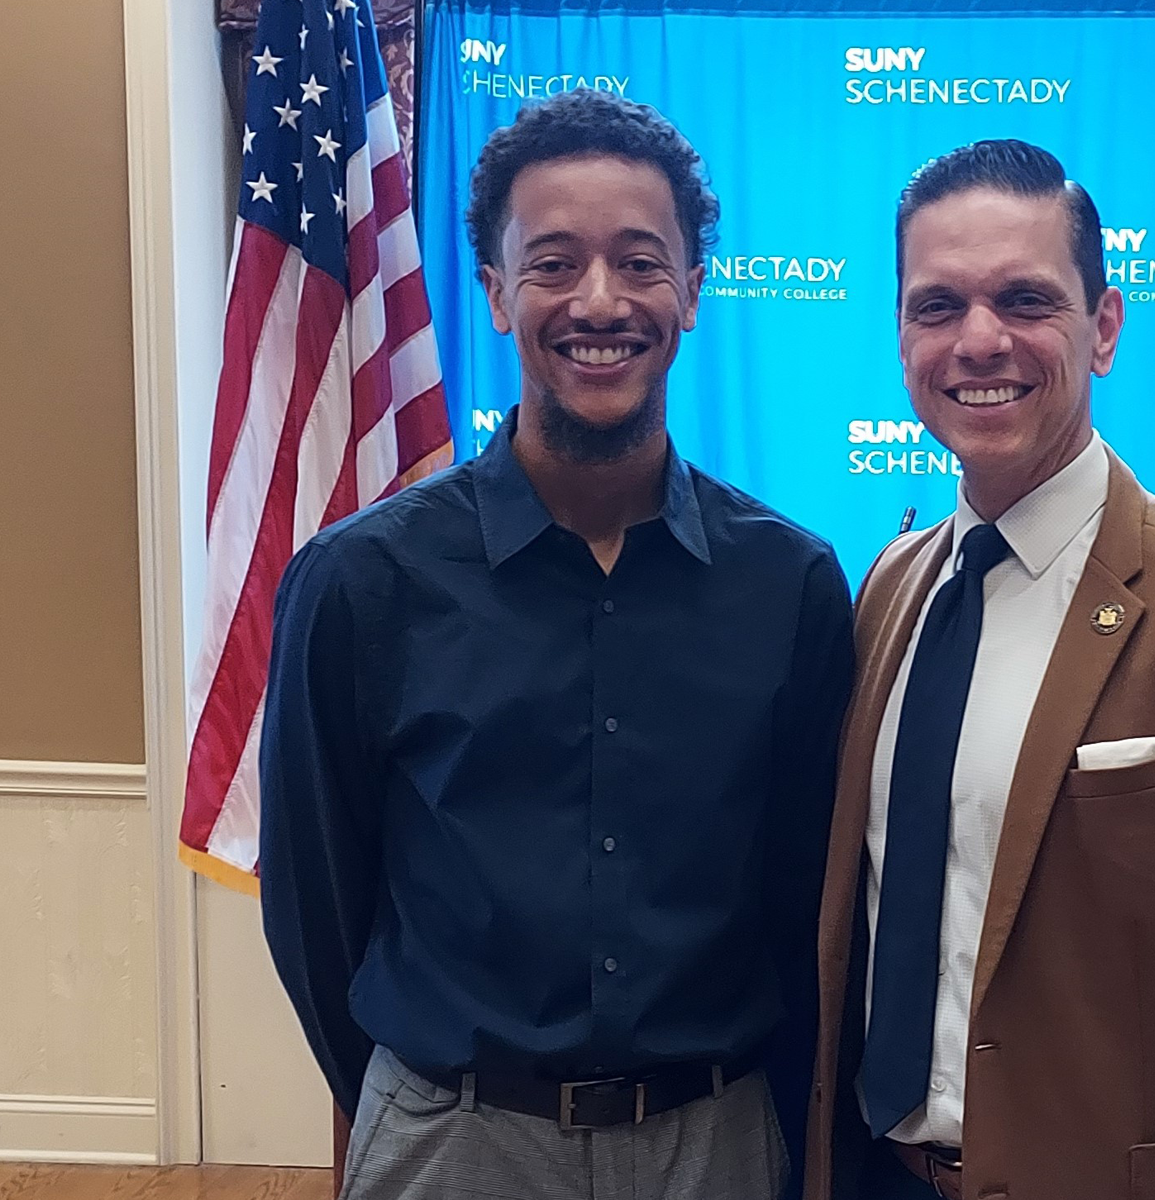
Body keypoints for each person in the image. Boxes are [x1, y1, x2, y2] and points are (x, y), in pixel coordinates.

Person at [260, 88, 853, 1200]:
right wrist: (424, 1097)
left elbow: (799, 904)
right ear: (494, 292)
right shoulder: (362, 582)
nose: (599, 300)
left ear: (691, 289)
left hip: (714, 1142)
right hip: (455, 1140)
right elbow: (316, 906)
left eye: (639, 262)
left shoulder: (792, 585)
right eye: (551, 263)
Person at [804, 140, 1155, 1200]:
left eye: (1025, 298)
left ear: (1103, 328)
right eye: (937, 305)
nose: (979, 340)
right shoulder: (888, 587)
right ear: (901, 336)